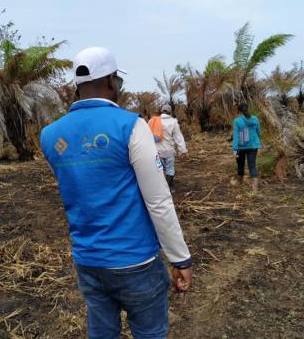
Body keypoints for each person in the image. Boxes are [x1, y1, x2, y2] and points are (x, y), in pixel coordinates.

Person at [41, 47, 193, 339]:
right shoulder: (131, 126)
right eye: (117, 82)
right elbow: (158, 200)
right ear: (112, 81)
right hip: (136, 263)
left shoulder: (50, 136)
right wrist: (180, 258)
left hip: (88, 262)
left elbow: (78, 187)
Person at [148, 105, 188, 192]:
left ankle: (160, 188)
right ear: (170, 112)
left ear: (161, 111)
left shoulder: (153, 120)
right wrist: (183, 151)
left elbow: (146, 135)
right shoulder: (173, 122)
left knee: (159, 169)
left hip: (156, 153)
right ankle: (169, 188)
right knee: (170, 169)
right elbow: (178, 138)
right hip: (169, 152)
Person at [232, 102, 262, 192]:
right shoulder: (255, 119)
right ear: (247, 108)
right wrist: (257, 143)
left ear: (239, 111)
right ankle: (255, 188)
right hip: (253, 146)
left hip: (241, 147)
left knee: (240, 165)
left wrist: (235, 149)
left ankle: (239, 182)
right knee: (252, 166)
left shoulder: (237, 121)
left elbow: (236, 136)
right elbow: (258, 132)